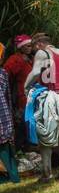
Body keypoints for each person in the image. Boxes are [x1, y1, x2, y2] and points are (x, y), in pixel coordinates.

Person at [24, 33, 59, 182]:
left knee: (45, 137)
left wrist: (26, 87)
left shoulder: (42, 53)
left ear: (38, 44)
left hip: (48, 98)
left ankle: (47, 174)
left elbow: (35, 72)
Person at [3, 35, 35, 150]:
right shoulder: (14, 60)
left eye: (31, 45)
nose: (30, 48)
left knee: (29, 127)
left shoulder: (31, 59)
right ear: (20, 47)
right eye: (27, 46)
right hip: (21, 100)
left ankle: (27, 149)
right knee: (21, 128)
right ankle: (19, 151)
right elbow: (6, 79)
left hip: (31, 99)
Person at [0, 44, 19, 182]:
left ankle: (8, 176)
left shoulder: (3, 73)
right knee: (5, 148)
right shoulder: (2, 74)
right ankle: (11, 176)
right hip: (4, 117)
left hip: (3, 116)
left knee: (5, 149)